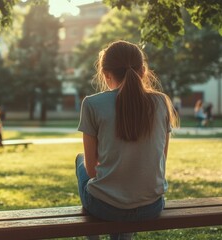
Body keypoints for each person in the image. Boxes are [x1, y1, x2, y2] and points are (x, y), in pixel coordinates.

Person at [76, 40, 178, 240]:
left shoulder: (92, 104)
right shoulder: (160, 102)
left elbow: (90, 170)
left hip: (105, 207)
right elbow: (161, 160)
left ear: (106, 75)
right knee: (120, 192)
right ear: (143, 71)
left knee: (80, 161)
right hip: (151, 206)